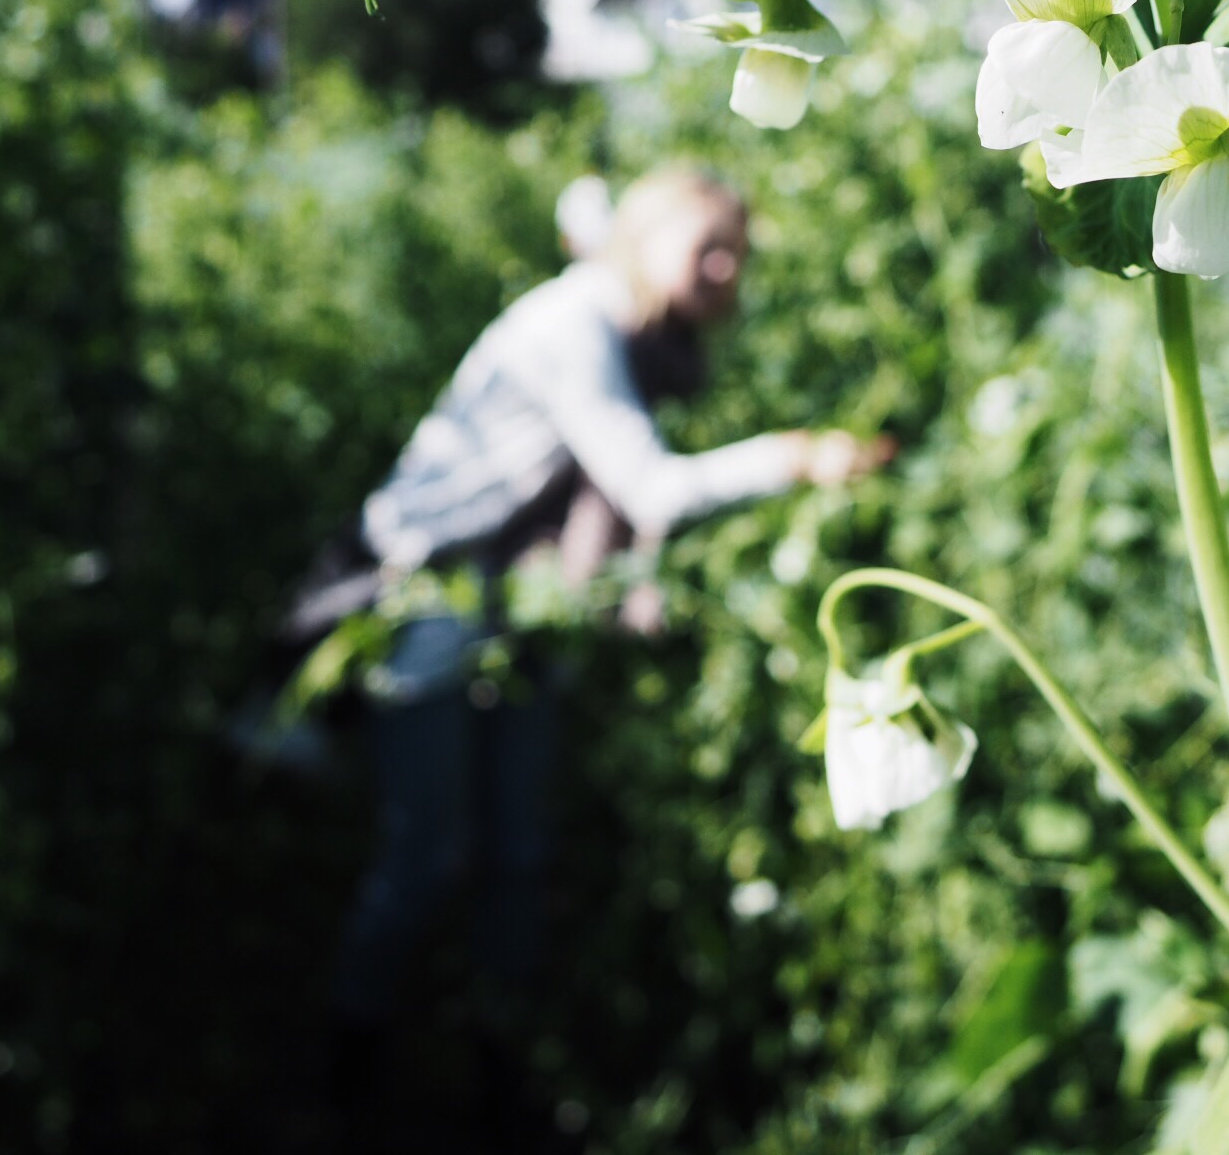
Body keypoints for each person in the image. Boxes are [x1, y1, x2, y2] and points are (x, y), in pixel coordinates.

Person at [322, 165, 889, 1119]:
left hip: (532, 606)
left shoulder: (634, 329)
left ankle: (501, 1058)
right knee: (429, 848)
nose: (723, 269)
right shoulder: (576, 326)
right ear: (646, 239)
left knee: (520, 847)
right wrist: (796, 457)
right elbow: (650, 487)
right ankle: (352, 1056)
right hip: (426, 598)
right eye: (706, 246)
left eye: (736, 253)